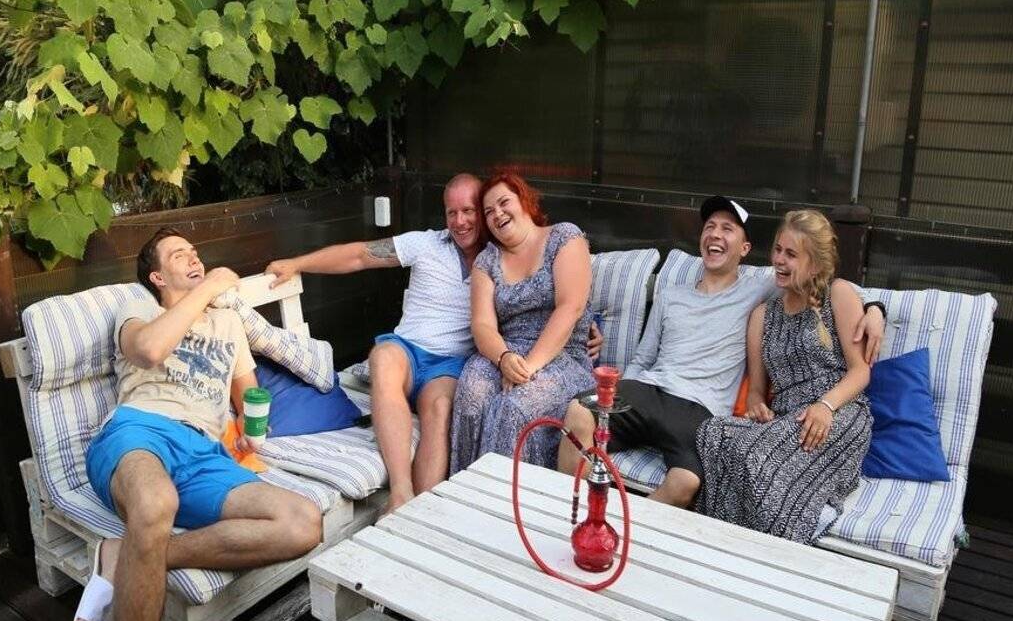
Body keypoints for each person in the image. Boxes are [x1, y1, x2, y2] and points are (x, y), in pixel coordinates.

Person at [73, 227, 322, 621]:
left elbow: (248, 395)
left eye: (196, 252)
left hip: (205, 454)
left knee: (302, 522)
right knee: (154, 504)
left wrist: (253, 427)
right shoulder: (138, 309)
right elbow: (149, 350)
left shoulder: (228, 323)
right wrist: (209, 288)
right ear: (157, 276)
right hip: (139, 433)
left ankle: (125, 556)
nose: (194, 258)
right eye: (178, 255)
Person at [264, 174, 604, 511]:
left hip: (450, 365)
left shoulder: (498, 254)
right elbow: (361, 255)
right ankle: (401, 492)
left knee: (442, 408)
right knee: (383, 358)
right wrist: (298, 263)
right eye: (451, 212)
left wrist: (586, 325)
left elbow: (556, 303)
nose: (460, 221)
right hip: (408, 352)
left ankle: (426, 509)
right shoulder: (428, 244)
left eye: (469, 211)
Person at [557, 196, 885, 508]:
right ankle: (578, 517)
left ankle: (621, 531)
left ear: (745, 249)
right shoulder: (671, 295)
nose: (715, 234)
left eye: (727, 229)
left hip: (699, 410)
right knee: (578, 411)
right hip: (649, 391)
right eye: (710, 227)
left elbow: (818, 281)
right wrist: (621, 396)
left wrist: (874, 308)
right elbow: (643, 358)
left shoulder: (761, 288)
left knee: (685, 482)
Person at [695, 209, 873, 542]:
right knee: (712, 433)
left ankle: (774, 545)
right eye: (778, 250)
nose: (778, 260)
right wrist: (757, 405)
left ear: (815, 264)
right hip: (786, 420)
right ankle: (720, 542)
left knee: (753, 456)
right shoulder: (763, 316)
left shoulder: (838, 294)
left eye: (791, 254)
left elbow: (861, 371)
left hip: (838, 414)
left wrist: (825, 406)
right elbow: (756, 391)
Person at [450, 172, 596, 474]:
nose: (497, 214)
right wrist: (504, 359)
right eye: (488, 211)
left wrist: (528, 367)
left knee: (512, 407)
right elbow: (482, 326)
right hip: (505, 352)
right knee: (471, 394)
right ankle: (464, 489)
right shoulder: (487, 261)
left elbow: (570, 307)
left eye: (504, 202)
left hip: (562, 357)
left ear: (525, 201)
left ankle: (509, 498)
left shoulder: (564, 237)